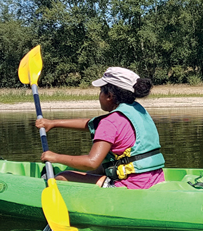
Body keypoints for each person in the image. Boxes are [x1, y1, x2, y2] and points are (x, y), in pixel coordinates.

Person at [35, 67, 165, 189]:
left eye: (100, 91)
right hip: (155, 179)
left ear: (109, 96)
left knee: (63, 176)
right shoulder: (135, 111)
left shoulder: (110, 122)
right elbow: (89, 124)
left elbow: (91, 161)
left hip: (132, 186)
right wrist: (53, 123)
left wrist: (54, 157)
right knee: (102, 168)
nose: (99, 96)